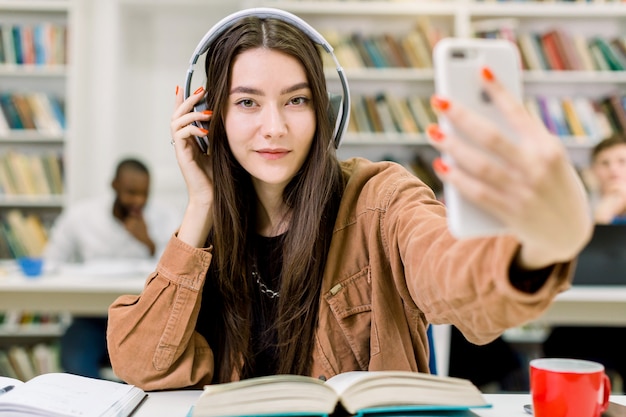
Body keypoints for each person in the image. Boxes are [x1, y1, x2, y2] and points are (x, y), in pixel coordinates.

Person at [106, 9, 592, 391]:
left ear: (325, 113)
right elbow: (142, 362)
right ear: (211, 121)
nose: (273, 126)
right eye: (248, 102)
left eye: (296, 100)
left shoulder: (380, 198)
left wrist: (540, 248)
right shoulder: (210, 228)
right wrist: (200, 203)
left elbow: (454, 277)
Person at [44, 157, 180, 379]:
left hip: (143, 322)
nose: (138, 201)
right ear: (114, 185)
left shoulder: (165, 216)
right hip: (92, 319)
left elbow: (179, 271)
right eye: (130, 192)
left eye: (144, 194)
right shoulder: (82, 215)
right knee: (77, 363)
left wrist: (148, 242)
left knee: (152, 372)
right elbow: (51, 260)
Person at [543, 134, 626, 390]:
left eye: (622, 161)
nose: (613, 169)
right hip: (583, 322)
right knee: (562, 343)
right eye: (604, 163)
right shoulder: (577, 215)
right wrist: (602, 217)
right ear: (593, 171)